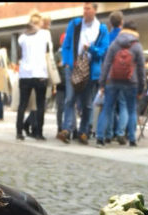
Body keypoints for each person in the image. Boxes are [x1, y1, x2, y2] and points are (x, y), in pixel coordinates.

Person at [57, 3, 109, 145]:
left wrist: (91, 49)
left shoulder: (101, 29)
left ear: (95, 10)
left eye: (88, 9)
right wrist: (68, 62)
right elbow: (66, 45)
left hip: (90, 70)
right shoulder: (75, 24)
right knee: (70, 98)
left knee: (87, 103)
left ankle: (84, 131)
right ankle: (67, 129)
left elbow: (104, 50)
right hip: (73, 67)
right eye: (84, 8)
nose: (85, 11)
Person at [95, 21, 145, 148]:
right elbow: (141, 69)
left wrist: (102, 83)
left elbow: (106, 64)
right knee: (131, 110)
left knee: (107, 109)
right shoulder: (137, 46)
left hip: (112, 81)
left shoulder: (114, 44)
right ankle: (132, 139)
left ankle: (100, 138)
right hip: (131, 82)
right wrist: (141, 88)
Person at [15, 13, 50, 141]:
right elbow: (48, 51)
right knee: (40, 104)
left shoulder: (22, 37)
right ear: (38, 23)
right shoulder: (45, 34)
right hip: (40, 73)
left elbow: (20, 53)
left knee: (22, 104)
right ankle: (39, 133)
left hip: (25, 74)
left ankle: (19, 132)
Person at [99, 10, 126, 143]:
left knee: (109, 106)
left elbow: (104, 58)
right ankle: (120, 132)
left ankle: (108, 134)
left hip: (110, 75)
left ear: (111, 23)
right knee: (123, 105)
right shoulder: (126, 38)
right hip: (124, 76)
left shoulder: (108, 38)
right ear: (122, 22)